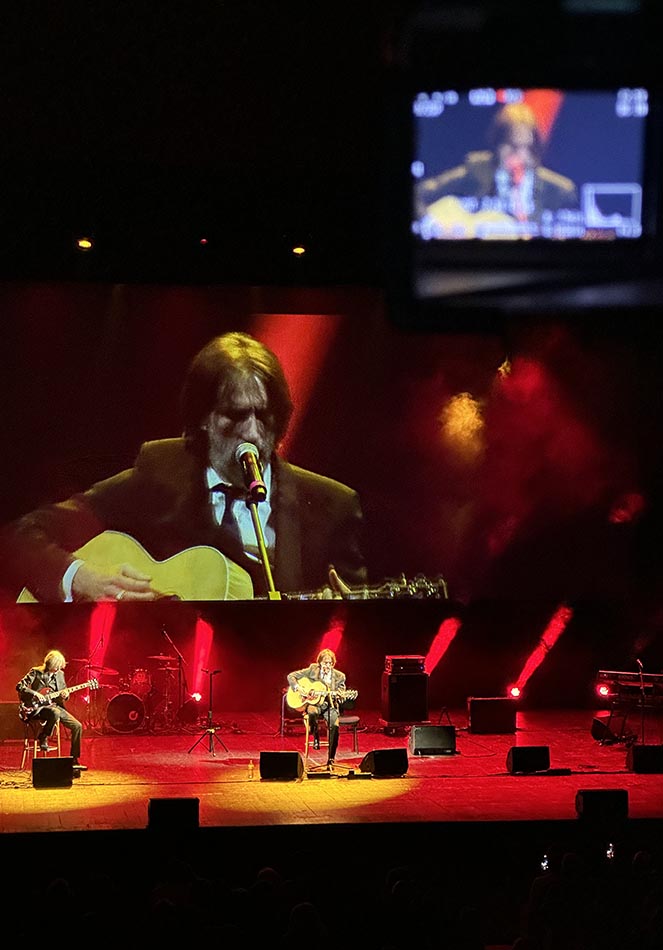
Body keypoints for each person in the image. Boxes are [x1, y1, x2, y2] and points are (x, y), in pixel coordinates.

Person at [0, 331, 367, 602]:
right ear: (204, 418)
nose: (253, 432)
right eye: (235, 415)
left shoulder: (332, 505)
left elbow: (358, 628)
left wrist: (339, 614)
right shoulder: (160, 472)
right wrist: (81, 579)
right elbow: (20, 536)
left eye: (264, 416)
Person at [416, 102, 579, 238]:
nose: (520, 155)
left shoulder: (560, 190)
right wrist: (433, 227)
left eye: (527, 148)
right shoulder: (476, 171)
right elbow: (417, 194)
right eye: (512, 146)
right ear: (497, 144)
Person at [16, 649, 87, 770]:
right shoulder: (36, 672)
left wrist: (65, 695)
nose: (58, 669)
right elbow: (20, 686)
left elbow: (63, 691)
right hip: (37, 708)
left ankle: (74, 760)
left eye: (60, 667)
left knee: (77, 726)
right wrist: (35, 693)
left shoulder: (60, 674)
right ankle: (44, 735)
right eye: (56, 666)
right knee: (55, 712)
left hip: (54, 706)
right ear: (50, 664)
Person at [287, 648, 346, 768]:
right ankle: (315, 735)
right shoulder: (313, 669)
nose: (327, 665)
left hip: (329, 706)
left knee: (334, 726)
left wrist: (339, 696)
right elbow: (291, 676)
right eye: (325, 663)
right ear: (320, 662)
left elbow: (342, 695)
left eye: (330, 663)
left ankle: (331, 758)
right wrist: (299, 688)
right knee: (312, 712)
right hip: (314, 704)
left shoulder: (340, 676)